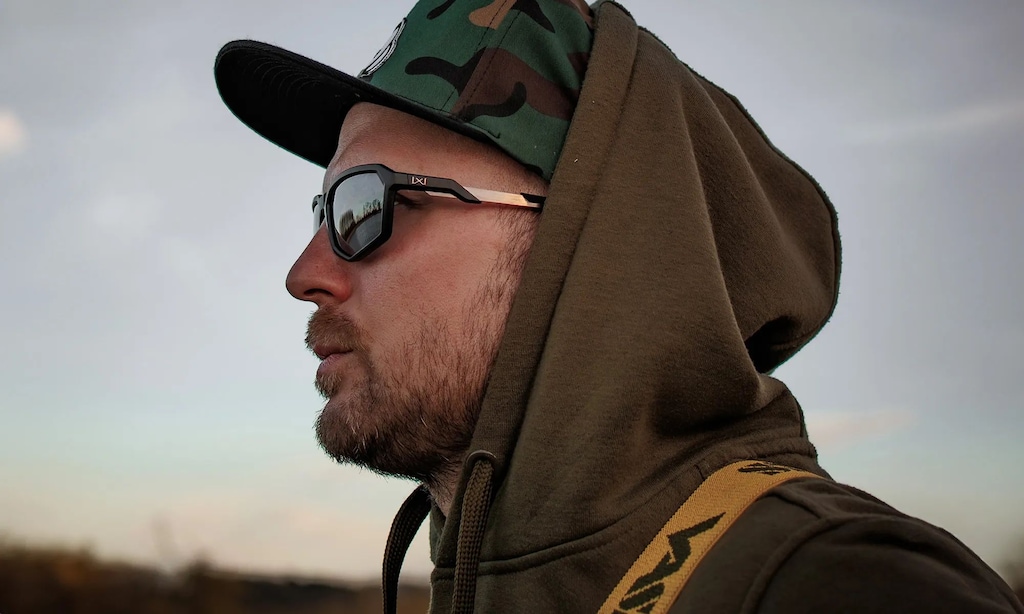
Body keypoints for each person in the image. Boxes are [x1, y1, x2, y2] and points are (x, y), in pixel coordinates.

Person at [214, 1, 1024, 612]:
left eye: (361, 207)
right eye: (322, 212)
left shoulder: (839, 586)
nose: (305, 273)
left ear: (588, 235)